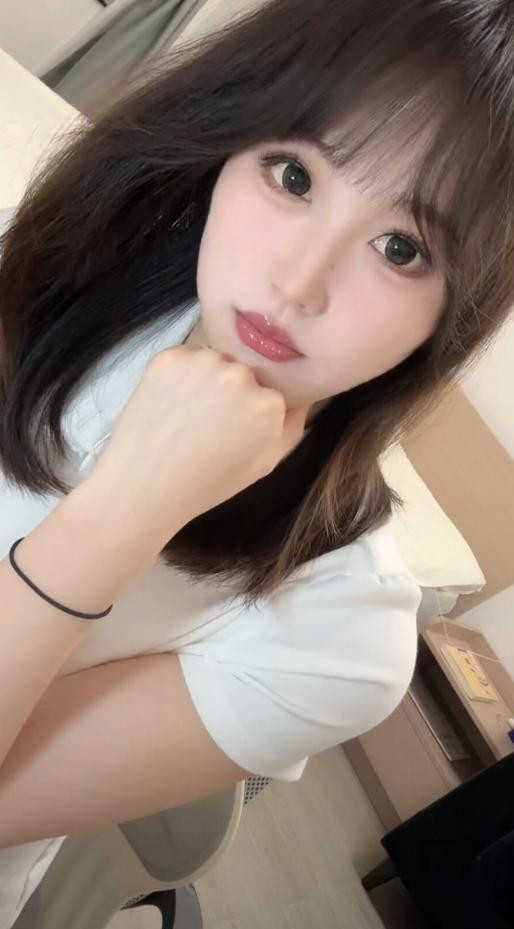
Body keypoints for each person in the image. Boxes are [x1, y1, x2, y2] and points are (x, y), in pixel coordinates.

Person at [0, 0, 513, 922]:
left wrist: (119, 518)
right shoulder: (52, 272)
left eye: (401, 248)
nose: (296, 282)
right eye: (294, 174)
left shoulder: (340, 633)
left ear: (455, 312)